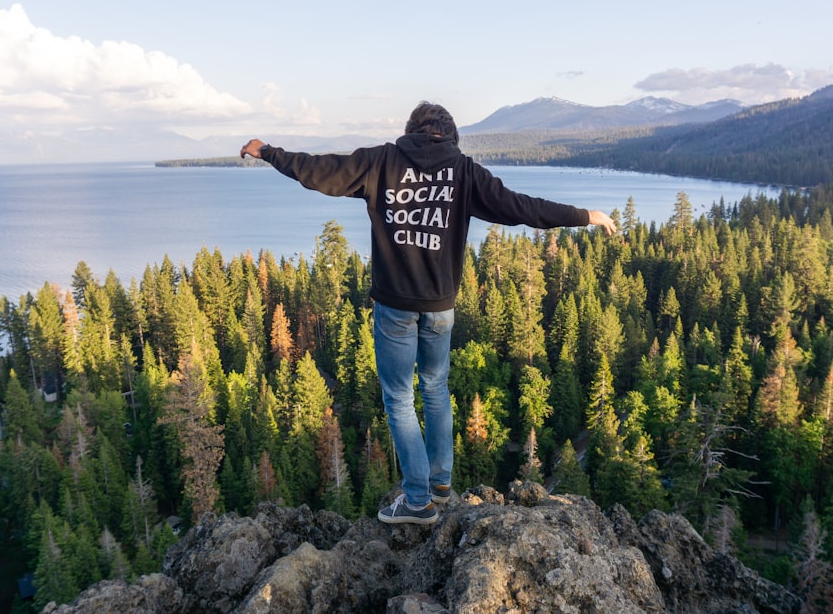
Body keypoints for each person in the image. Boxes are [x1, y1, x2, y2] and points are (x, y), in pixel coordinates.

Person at [241, 102, 615, 524]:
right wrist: (585, 217)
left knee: (399, 397)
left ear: (412, 131)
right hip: (440, 308)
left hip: (395, 307)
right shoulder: (464, 171)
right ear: (450, 135)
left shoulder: (381, 161)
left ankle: (417, 500)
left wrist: (268, 151)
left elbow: (319, 170)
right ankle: (439, 483)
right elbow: (521, 207)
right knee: (435, 389)